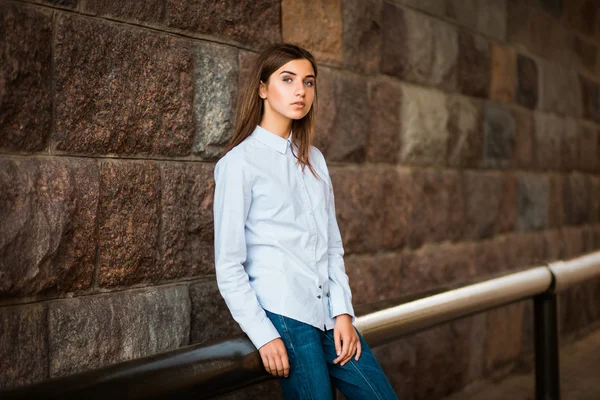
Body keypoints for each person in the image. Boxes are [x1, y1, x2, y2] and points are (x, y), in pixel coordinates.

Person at [213, 42, 398, 400]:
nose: (300, 90)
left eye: (309, 82)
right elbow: (229, 264)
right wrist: (263, 333)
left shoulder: (315, 159)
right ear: (263, 89)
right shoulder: (239, 164)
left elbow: (331, 245)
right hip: (285, 316)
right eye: (287, 79)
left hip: (328, 313)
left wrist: (343, 311)